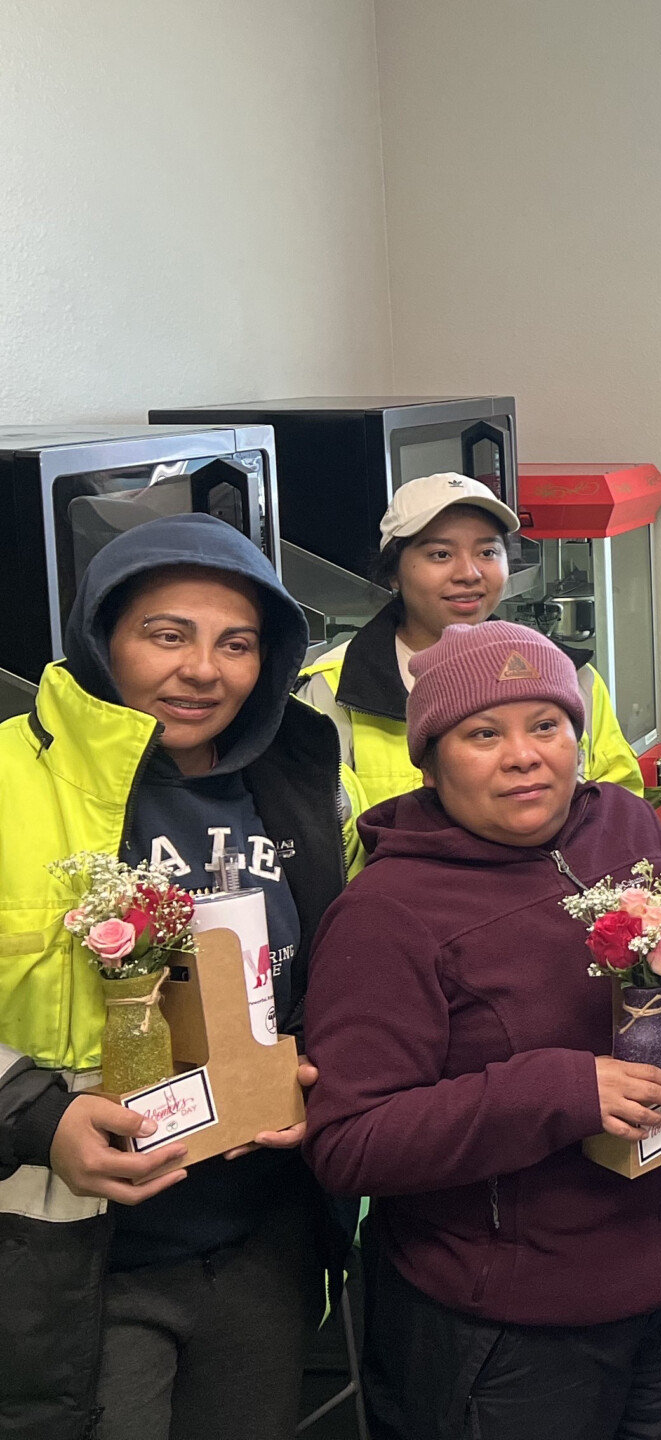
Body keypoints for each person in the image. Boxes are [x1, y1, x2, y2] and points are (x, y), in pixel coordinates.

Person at [302, 620, 661, 1438]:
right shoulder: (387, 913)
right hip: (513, 1327)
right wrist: (556, 1091)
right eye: (482, 734)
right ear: (429, 762)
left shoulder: (626, 824)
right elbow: (350, 1143)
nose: (523, 756)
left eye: (546, 725)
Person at [0, 515, 354, 1440]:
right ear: (100, 638)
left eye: (237, 644)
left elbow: (345, 972)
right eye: (168, 636)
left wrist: (321, 1075)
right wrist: (36, 1118)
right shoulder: (7, 784)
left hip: (260, 1240)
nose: (204, 671)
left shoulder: (305, 782)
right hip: (71, 1253)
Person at [298, 471, 645, 810]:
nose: (469, 573)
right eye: (441, 554)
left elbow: (620, 808)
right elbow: (324, 829)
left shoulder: (571, 675)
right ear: (394, 574)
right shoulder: (333, 689)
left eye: (487, 552)